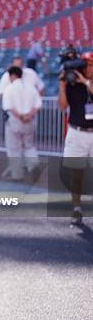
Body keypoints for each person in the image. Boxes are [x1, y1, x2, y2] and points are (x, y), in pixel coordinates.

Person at [58, 51, 93, 225]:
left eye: (91, 65)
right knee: (76, 174)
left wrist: (86, 82)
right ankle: (76, 209)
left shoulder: (87, 83)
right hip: (77, 132)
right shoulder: (72, 84)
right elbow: (63, 106)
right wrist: (62, 85)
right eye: (85, 65)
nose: (87, 68)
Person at [1, 66, 42, 180]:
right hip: (30, 121)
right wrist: (29, 115)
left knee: (14, 149)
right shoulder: (30, 87)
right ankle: (34, 165)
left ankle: (17, 175)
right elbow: (38, 104)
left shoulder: (9, 89)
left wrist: (21, 116)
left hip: (15, 121)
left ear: (12, 76)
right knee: (29, 146)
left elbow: (9, 107)